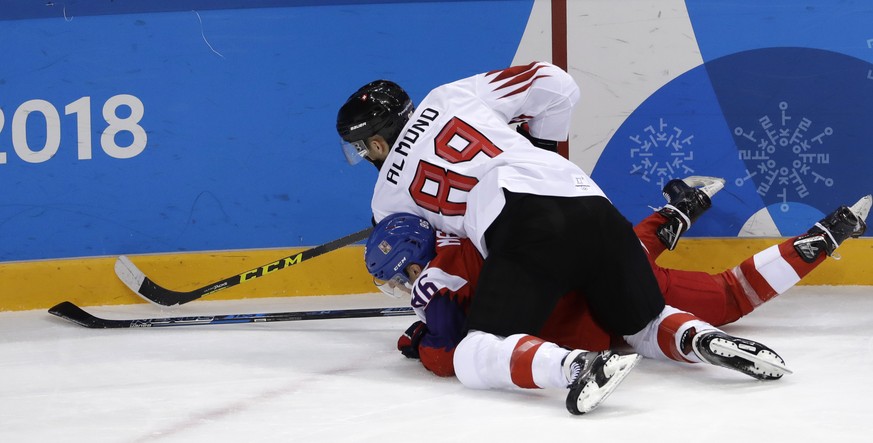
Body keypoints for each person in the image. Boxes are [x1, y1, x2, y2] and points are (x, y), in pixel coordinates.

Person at [336, 62, 787, 414]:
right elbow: (557, 84)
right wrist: (542, 149)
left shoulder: (385, 200)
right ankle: (697, 339)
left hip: (524, 225)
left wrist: (428, 316)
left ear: (376, 144)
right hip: (590, 201)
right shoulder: (450, 96)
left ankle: (575, 366)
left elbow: (439, 265)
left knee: (476, 350)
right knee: (642, 322)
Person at [363, 182, 869, 386]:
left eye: (396, 279)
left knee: (723, 297)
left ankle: (816, 243)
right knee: (629, 251)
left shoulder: (432, 285)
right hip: (595, 254)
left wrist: (428, 340)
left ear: (411, 265)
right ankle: (683, 211)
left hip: (583, 316)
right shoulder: (469, 231)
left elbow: (450, 351)